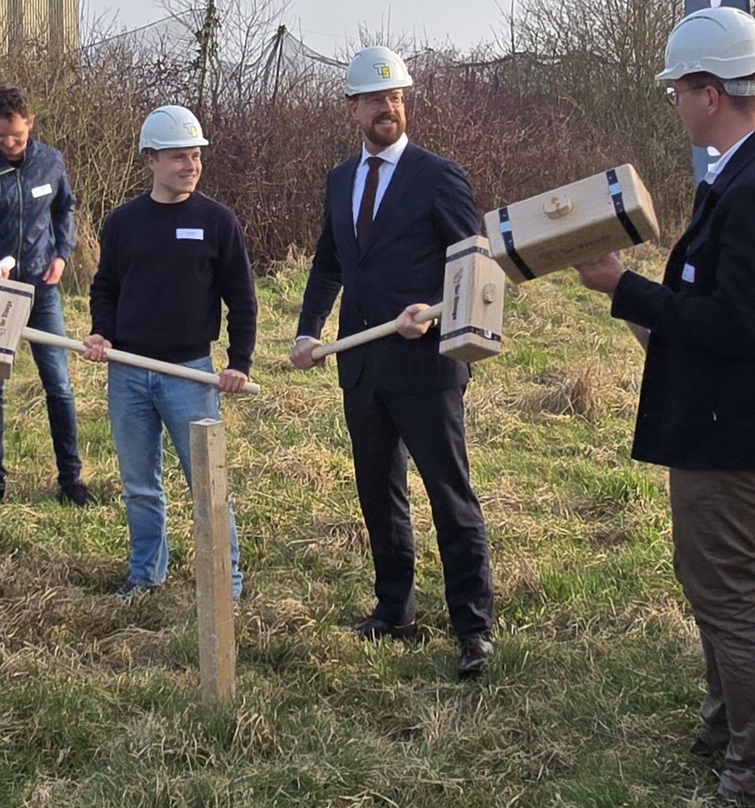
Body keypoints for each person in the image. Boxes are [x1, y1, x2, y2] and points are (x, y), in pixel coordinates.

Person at [573, 6, 755, 806]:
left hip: (735, 428)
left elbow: (736, 324)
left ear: (708, 93)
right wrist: (643, 295)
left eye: (678, 91)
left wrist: (625, 287)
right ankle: (721, 729)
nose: (674, 106)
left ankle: (751, 776)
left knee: (728, 600)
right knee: (713, 585)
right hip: (730, 416)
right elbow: (725, 302)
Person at [292, 45, 496, 679]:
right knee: (378, 493)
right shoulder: (339, 181)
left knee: (448, 494)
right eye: (376, 98)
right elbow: (330, 263)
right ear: (353, 107)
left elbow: (476, 262)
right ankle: (395, 609)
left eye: (397, 96)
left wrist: (435, 312)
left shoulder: (438, 175)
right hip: (361, 365)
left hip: (426, 366)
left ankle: (473, 626)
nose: (389, 107)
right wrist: (307, 330)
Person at [84, 105, 254, 600]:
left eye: (196, 156)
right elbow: (106, 288)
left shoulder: (218, 222)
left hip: (192, 376)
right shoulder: (123, 224)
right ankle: (145, 575)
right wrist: (102, 334)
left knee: (208, 485)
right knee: (139, 485)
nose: (191, 166)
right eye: (180, 157)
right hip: (129, 372)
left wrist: (238, 363)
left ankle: (227, 584)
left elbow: (242, 299)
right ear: (150, 160)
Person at [0, 85, 88, 507]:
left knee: (58, 384)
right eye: (1, 136)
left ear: (30, 125)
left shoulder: (51, 163)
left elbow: (66, 209)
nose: (9, 143)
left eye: (17, 136)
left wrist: (63, 254)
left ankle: (71, 480)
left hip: (42, 291)